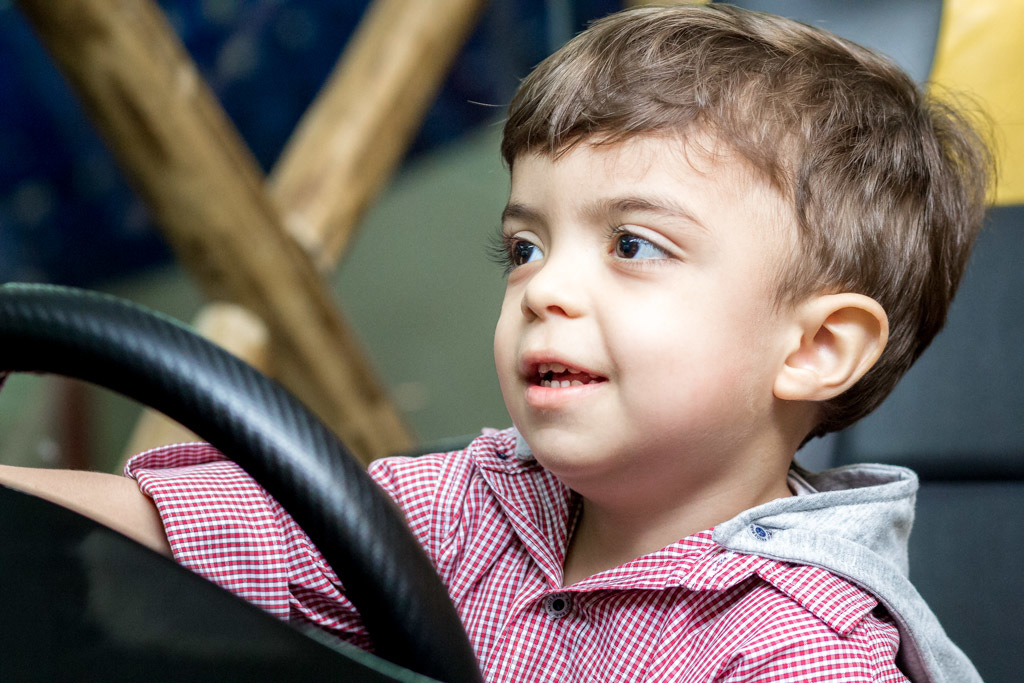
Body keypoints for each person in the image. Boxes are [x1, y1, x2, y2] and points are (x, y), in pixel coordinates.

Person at [0, 4, 992, 681]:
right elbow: (188, 524)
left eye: (633, 244)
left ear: (814, 349)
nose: (543, 287)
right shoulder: (471, 507)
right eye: (524, 244)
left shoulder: (802, 653)